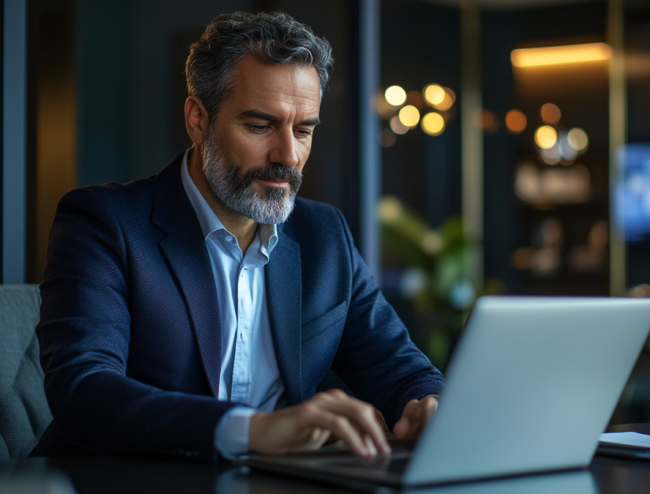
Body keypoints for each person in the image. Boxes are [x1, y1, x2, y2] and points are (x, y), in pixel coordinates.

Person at [34, 11, 443, 462]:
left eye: (303, 130)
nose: (288, 155)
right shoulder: (104, 222)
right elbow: (83, 389)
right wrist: (252, 430)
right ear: (197, 119)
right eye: (260, 126)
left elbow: (401, 370)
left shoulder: (325, 235)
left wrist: (430, 406)